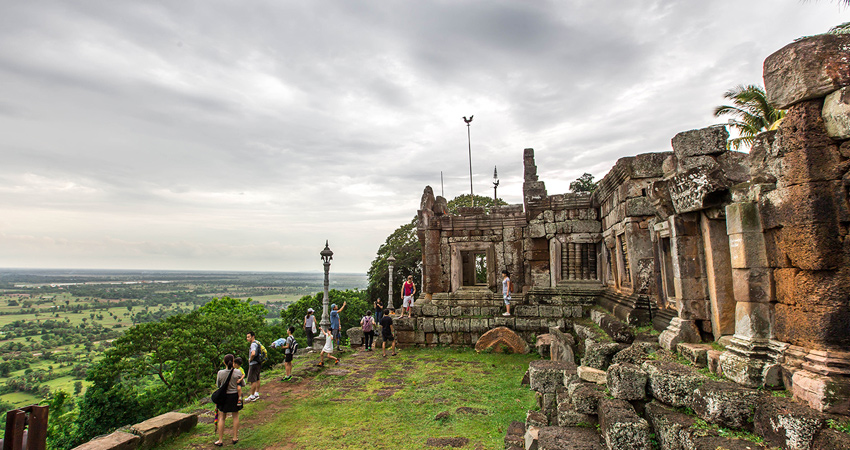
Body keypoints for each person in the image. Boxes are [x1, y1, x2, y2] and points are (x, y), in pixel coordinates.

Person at [214, 354, 243, 446]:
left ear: (224, 362)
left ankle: (220, 440)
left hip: (224, 397)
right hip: (234, 396)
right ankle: (235, 437)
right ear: (233, 362)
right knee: (235, 416)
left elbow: (218, 385)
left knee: (222, 417)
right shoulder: (238, 372)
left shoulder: (220, 373)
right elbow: (243, 383)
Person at [245, 331, 262, 402]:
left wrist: (250, 359)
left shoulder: (253, 344)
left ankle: (252, 395)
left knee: (253, 380)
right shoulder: (258, 342)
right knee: (257, 378)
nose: (247, 338)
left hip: (254, 364)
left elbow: (253, 353)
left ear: (253, 336)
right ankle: (256, 393)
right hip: (258, 363)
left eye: (249, 337)